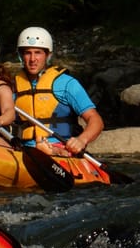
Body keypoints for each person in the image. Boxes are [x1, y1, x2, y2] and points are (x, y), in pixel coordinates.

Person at [13, 26, 104, 157]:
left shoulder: (66, 83)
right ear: (21, 56)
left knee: (55, 151)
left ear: (48, 55)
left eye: (38, 52)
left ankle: (52, 151)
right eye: (27, 53)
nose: (32, 59)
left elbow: (96, 120)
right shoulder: (13, 85)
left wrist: (81, 140)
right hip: (24, 148)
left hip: (62, 147)